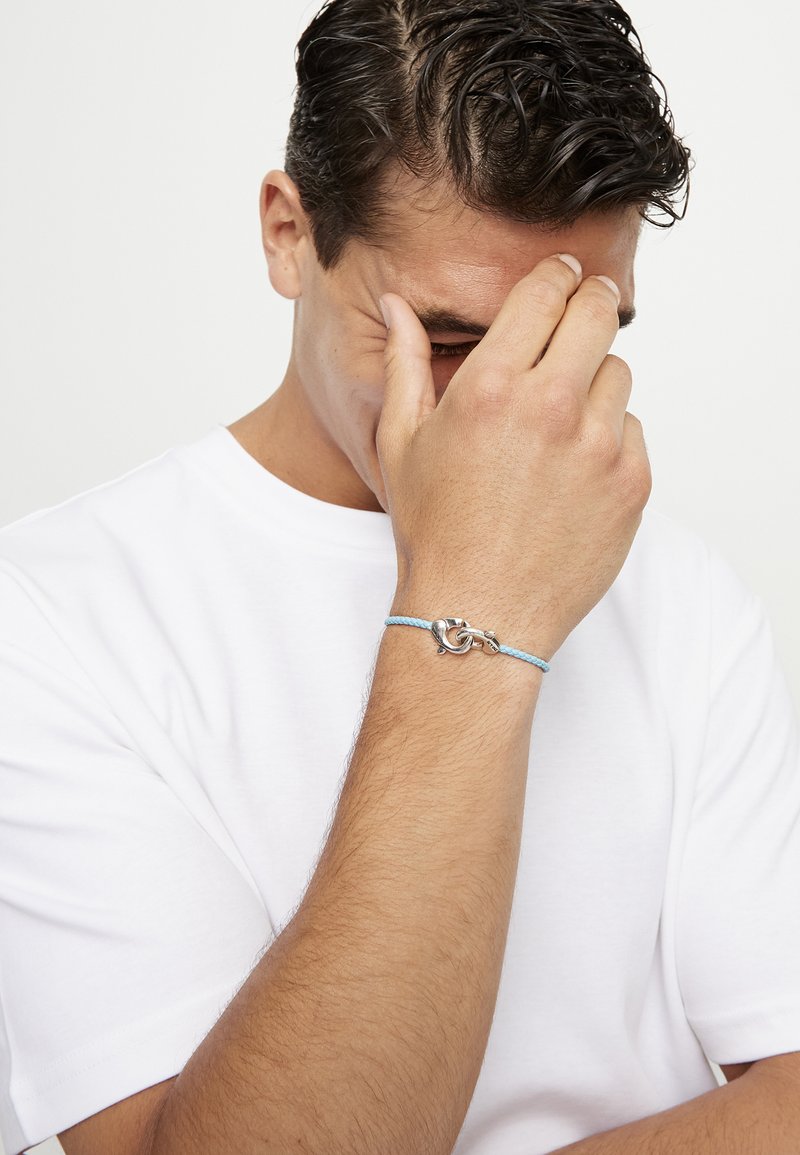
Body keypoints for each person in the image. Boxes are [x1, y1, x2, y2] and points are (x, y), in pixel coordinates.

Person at [2, 0, 799, 1151]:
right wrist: (480, 600)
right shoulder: (49, 620)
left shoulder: (680, 589)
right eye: (453, 339)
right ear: (289, 234)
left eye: (583, 333)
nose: (511, 404)